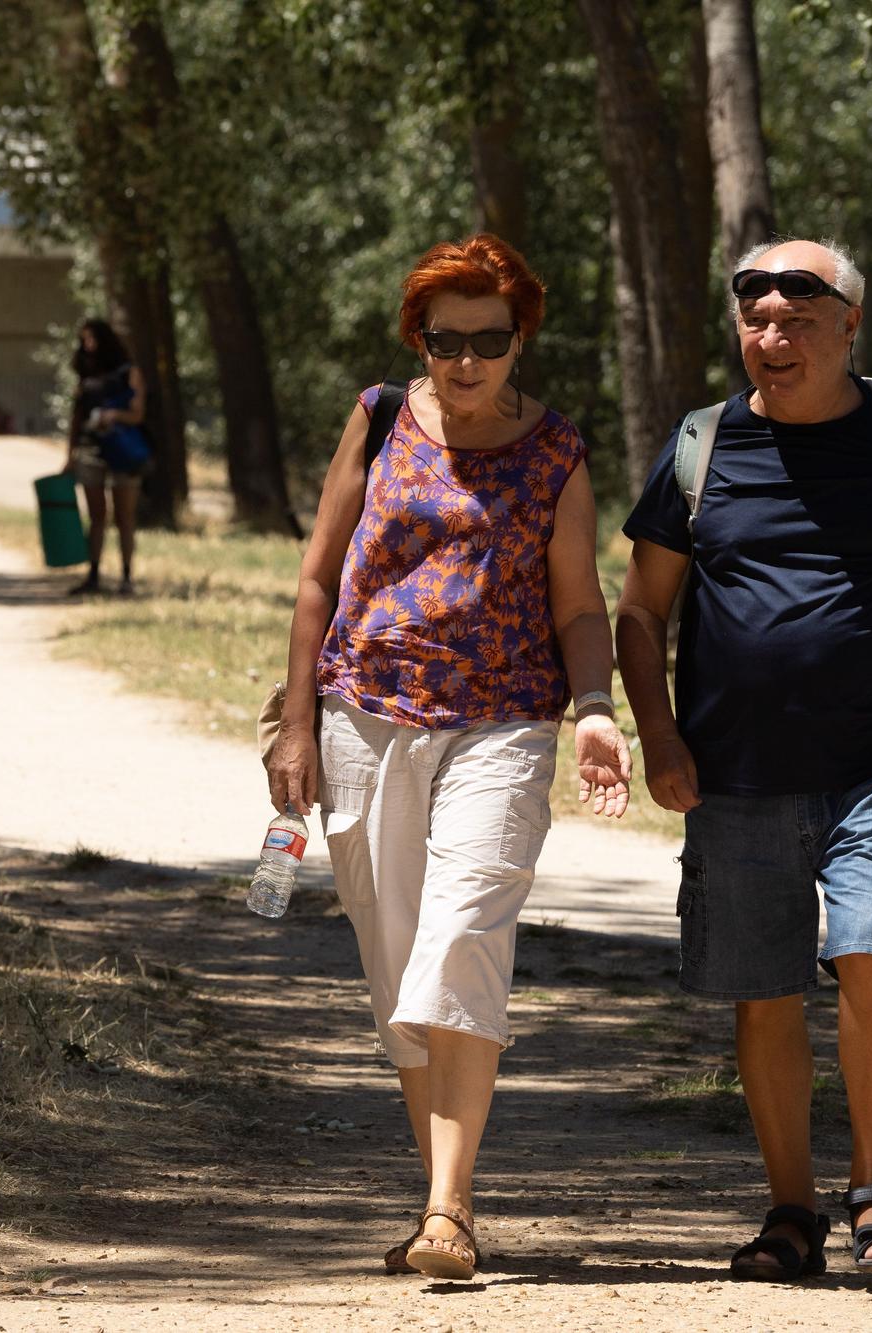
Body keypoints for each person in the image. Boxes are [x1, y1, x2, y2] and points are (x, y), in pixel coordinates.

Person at [615, 237, 872, 1281]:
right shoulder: (700, 446)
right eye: (753, 319)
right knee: (762, 991)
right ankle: (788, 1209)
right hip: (732, 766)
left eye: (797, 320)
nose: (772, 337)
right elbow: (639, 610)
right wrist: (655, 730)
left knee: (867, 954)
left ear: (849, 325)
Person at [266, 234, 632, 1281]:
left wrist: (597, 706)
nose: (465, 362)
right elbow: (316, 579)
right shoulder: (380, 417)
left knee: (462, 933)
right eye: (444, 340)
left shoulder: (555, 450)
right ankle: (438, 1192)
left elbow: (577, 604)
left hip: (503, 724)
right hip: (364, 718)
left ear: (520, 339)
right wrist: (297, 725)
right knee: (395, 964)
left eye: (488, 340)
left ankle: (447, 1211)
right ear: (416, 339)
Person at [63, 319, 149, 595]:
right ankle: (94, 575)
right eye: (84, 340)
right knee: (96, 516)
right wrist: (70, 454)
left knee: (124, 516)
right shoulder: (85, 378)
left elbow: (138, 414)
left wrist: (112, 417)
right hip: (91, 452)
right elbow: (75, 419)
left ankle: (126, 577)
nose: (88, 346)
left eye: (92, 339)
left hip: (123, 452)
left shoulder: (129, 373)